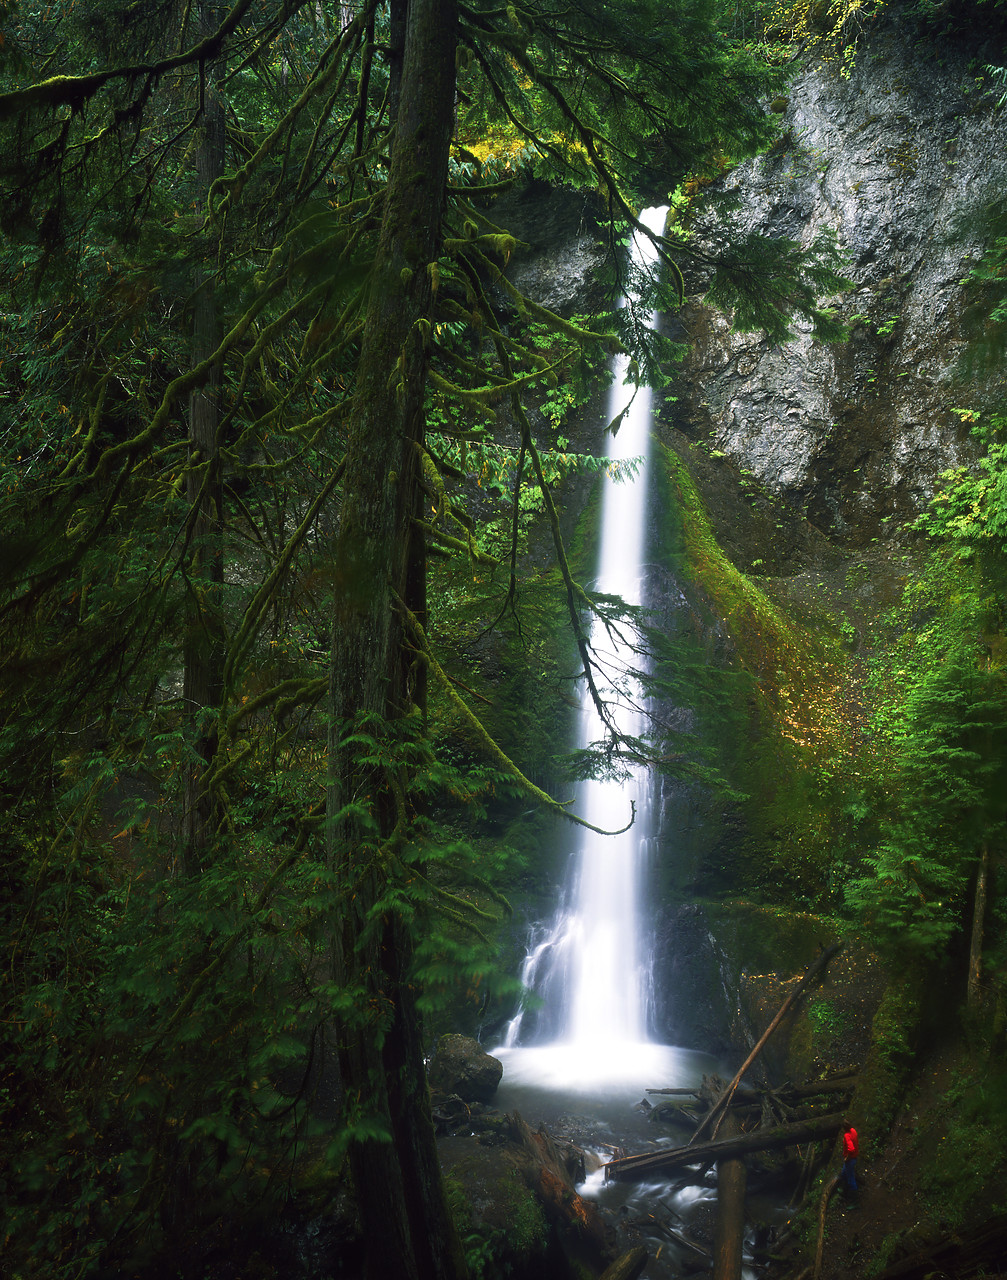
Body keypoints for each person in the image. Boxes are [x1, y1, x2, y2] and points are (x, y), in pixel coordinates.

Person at [841, 1121, 859, 1195]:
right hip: (854, 1157)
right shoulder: (853, 1130)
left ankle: (854, 1196)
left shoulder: (847, 1136)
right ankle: (845, 1187)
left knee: (850, 1178)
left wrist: (847, 1158)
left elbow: (851, 1149)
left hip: (850, 1159)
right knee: (843, 1173)